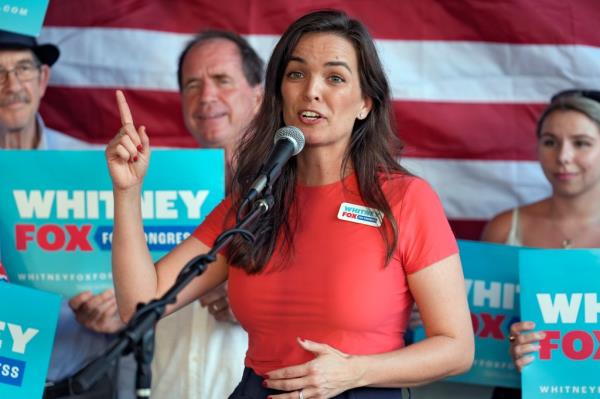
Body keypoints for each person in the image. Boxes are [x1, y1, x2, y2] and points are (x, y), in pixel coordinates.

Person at [107, 10, 474, 399]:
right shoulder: (252, 204)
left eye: (335, 77)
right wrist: (127, 193)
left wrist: (354, 372)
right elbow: (140, 305)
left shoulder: (405, 199)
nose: (311, 90)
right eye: (296, 74)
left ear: (365, 102)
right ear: (279, 92)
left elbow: (456, 348)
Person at [0, 29, 133, 398]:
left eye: (23, 69)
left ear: (43, 79)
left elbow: (134, 267)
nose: (11, 84)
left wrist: (119, 311)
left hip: (83, 381)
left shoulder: (95, 167)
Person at [151, 30, 263, 399]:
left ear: (259, 96)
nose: (206, 96)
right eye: (193, 84)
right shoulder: (151, 188)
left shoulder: (298, 190)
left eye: (222, 81)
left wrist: (253, 299)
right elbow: (138, 293)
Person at [482, 89, 600, 399]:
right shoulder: (505, 227)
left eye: (582, 143)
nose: (562, 156)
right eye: (550, 142)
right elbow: (476, 325)